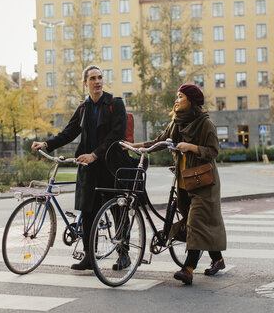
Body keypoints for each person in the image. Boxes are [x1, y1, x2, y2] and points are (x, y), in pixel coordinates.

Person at [124, 84, 226, 285]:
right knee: (195, 222)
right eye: (177, 96)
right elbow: (160, 141)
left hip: (204, 182)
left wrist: (191, 147)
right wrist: (134, 146)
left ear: (192, 102)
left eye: (181, 96)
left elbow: (213, 151)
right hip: (185, 181)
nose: (176, 100)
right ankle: (218, 259)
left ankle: (188, 268)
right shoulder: (176, 123)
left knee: (195, 222)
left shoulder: (205, 124)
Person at [31, 65, 130, 271]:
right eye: (93, 78)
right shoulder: (84, 108)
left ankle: (124, 254)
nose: (98, 81)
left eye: (100, 77)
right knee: (88, 211)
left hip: (111, 167)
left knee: (117, 211)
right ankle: (89, 257)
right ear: (85, 83)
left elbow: (117, 134)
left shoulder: (115, 104)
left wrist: (95, 154)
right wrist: (47, 144)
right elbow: (69, 132)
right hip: (88, 168)